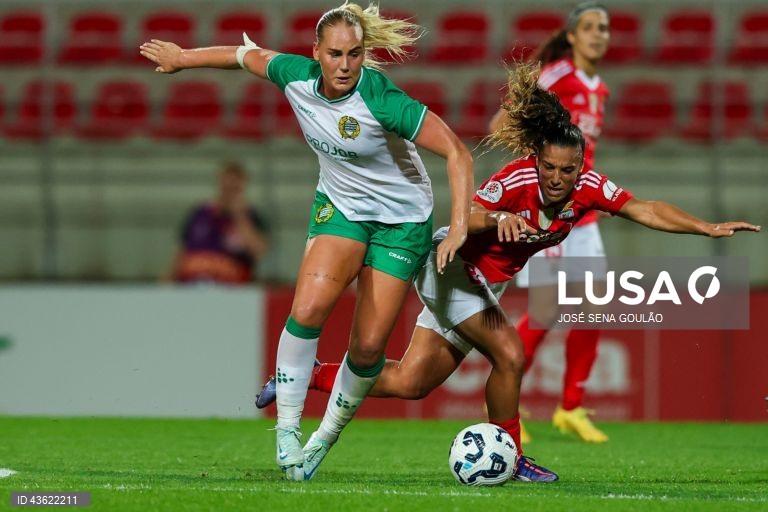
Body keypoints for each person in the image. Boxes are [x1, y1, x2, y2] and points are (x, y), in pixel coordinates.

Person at [256, 61, 761, 482]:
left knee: (413, 382)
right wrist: (498, 218)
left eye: (568, 170)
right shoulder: (516, 180)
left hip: (476, 285)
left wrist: (707, 227)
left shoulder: (587, 188)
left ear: (580, 167)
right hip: (448, 267)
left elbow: (645, 208)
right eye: (550, 168)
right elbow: (466, 218)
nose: (559, 179)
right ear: (536, 160)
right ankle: (514, 458)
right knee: (511, 354)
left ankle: (300, 379)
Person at [140, 2, 474, 482]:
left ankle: (325, 437)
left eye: (355, 54)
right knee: (309, 309)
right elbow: (241, 56)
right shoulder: (293, 75)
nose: (344, 65)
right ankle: (288, 430)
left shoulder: (382, 99)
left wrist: (458, 225)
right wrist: (180, 58)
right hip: (341, 211)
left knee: (367, 350)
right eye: (335, 53)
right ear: (316, 52)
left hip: (402, 223)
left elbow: (458, 153)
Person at [489, 1, 612, 443]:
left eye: (606, 28)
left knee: (596, 307)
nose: (601, 34)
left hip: (584, 212)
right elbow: (502, 120)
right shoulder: (557, 75)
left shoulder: (600, 89)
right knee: (547, 309)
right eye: (592, 27)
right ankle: (507, 403)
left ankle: (572, 408)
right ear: (574, 35)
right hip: (549, 209)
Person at [167, 161, 270, 284]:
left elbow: (259, 251)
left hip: (231, 287)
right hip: (192, 283)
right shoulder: (200, 213)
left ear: (242, 186)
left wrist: (240, 217)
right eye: (227, 186)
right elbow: (182, 251)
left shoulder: (252, 216)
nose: (229, 191)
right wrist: (167, 282)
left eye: (234, 188)